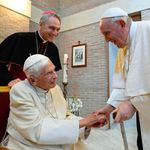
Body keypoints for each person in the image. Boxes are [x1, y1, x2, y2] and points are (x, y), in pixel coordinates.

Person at [6, 54, 103, 150]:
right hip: (29, 145)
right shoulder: (20, 91)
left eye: (54, 70)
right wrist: (83, 122)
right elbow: (36, 130)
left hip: (59, 142)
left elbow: (65, 116)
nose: (56, 76)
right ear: (32, 80)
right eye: (49, 73)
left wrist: (86, 124)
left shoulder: (55, 88)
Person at [0, 10, 62, 142]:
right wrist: (9, 79)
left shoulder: (53, 49)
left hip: (39, 97)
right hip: (15, 92)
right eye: (52, 28)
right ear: (40, 24)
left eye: (58, 29)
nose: (55, 33)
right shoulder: (19, 38)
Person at [95, 7, 150, 150]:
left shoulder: (148, 30)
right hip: (144, 116)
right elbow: (122, 86)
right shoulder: (123, 47)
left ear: (122, 23)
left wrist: (133, 104)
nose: (107, 40)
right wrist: (108, 108)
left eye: (107, 33)